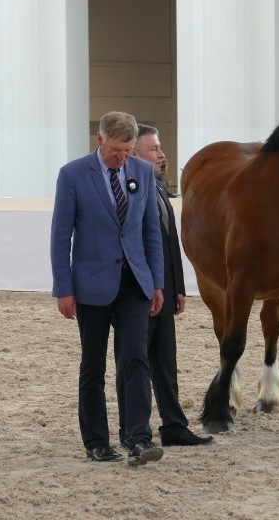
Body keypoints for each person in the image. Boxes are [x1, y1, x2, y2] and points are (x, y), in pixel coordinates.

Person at [51, 110, 166, 465]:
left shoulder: (142, 172)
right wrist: (63, 288)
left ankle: (138, 438)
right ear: (100, 140)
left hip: (134, 281)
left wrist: (157, 283)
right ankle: (97, 441)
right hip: (91, 285)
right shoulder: (72, 175)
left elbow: (150, 233)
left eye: (129, 151)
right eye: (117, 151)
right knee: (94, 364)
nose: (123, 158)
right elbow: (61, 236)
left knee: (136, 357)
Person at [115, 124, 213, 447]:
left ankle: (173, 425)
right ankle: (130, 428)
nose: (162, 154)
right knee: (134, 362)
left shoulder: (157, 187)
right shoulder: (128, 189)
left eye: (160, 148)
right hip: (137, 292)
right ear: (136, 153)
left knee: (166, 362)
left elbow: (170, 243)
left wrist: (177, 288)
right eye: (154, 148)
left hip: (163, 290)